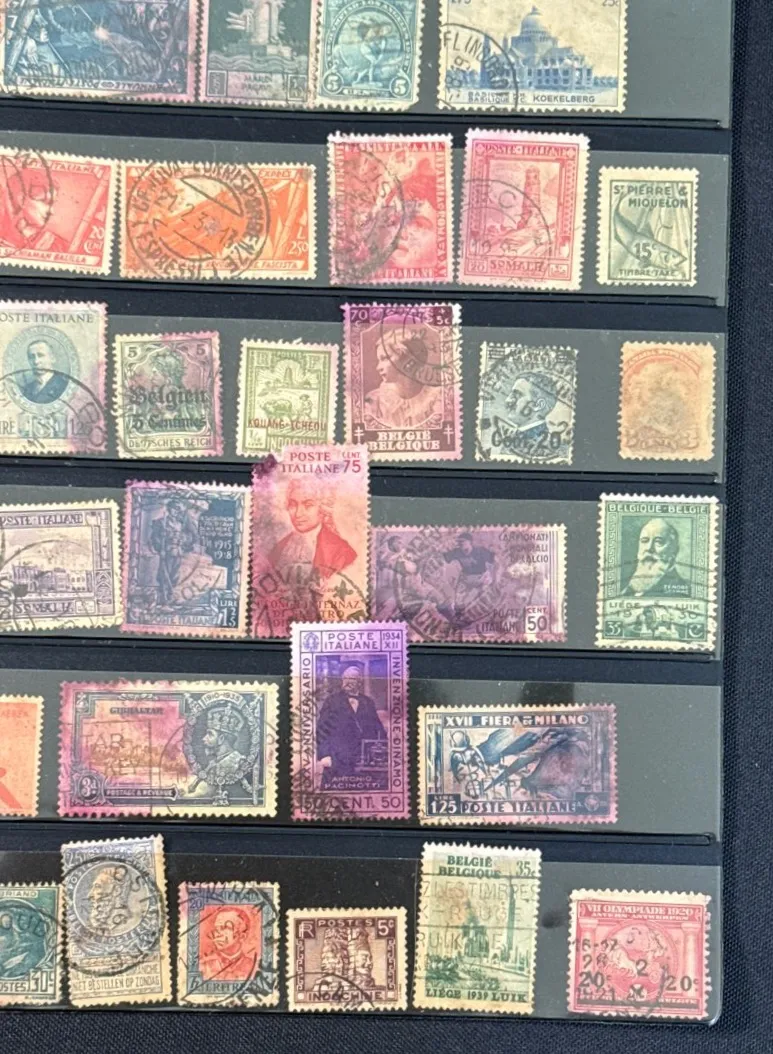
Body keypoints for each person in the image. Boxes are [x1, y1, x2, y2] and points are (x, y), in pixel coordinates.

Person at [268, 477, 356, 581]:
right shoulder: (279, 548)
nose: (298, 514)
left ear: (323, 509)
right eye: (293, 505)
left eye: (308, 505)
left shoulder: (341, 551)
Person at [316, 664, 386, 785]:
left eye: (351, 678)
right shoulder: (332, 701)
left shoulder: (368, 702)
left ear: (360, 682)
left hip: (362, 760)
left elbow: (378, 729)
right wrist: (324, 755)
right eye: (345, 678)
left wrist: (383, 751)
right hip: (337, 759)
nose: (347, 681)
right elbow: (321, 729)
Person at [364, 334, 441, 429]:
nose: (378, 367)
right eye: (379, 360)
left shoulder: (436, 397)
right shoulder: (374, 401)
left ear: (408, 360)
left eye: (385, 358)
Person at [622, 518, 690, 597]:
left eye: (658, 542)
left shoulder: (679, 590)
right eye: (644, 541)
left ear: (674, 550)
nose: (648, 548)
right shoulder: (630, 586)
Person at [148, 497, 197, 606]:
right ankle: (163, 598)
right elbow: (154, 538)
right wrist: (160, 548)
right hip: (167, 551)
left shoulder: (179, 524)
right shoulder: (161, 522)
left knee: (174, 575)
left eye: (177, 509)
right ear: (169, 509)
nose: (176, 511)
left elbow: (185, 536)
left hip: (177, 552)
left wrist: (183, 541)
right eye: (174, 508)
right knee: (164, 574)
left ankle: (170, 597)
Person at [501, 370, 559, 457]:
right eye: (511, 395)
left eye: (518, 395)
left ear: (538, 405)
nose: (508, 400)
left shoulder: (548, 446)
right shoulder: (511, 438)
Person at [200, 906, 256, 981]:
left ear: (242, 937)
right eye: (217, 928)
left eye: (226, 928)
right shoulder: (203, 966)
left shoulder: (254, 967)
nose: (217, 934)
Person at [200, 703, 248, 785]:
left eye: (210, 734)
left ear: (221, 739)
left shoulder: (239, 762)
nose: (203, 738)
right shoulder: (214, 762)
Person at [17, 338, 68, 404]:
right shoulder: (26, 389)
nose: (36, 361)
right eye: (31, 357)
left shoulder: (63, 385)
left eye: (41, 355)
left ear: (52, 358)